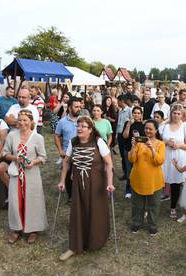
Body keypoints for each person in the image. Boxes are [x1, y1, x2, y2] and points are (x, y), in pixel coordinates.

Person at [57, 116, 115, 261]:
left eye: (83, 126)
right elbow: (66, 162)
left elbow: (109, 163)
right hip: (77, 181)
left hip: (96, 182)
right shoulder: (73, 142)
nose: (79, 129)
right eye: (78, 126)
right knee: (78, 211)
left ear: (90, 130)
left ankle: (96, 241)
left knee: (95, 210)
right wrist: (62, 180)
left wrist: (110, 182)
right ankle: (75, 245)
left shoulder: (98, 142)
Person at [2, 110, 48, 244]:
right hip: (16, 173)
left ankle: (33, 230)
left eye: (25, 120)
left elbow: (43, 157)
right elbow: (5, 153)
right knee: (16, 200)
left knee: (32, 200)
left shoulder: (37, 137)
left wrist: (33, 162)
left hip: (31, 174)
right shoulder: (11, 135)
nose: (22, 123)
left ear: (31, 122)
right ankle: (16, 229)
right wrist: (15, 158)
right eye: (20, 120)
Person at [128, 119, 165, 236]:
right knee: (137, 204)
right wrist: (133, 146)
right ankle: (136, 223)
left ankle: (152, 226)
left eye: (150, 129)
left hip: (154, 181)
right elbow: (131, 159)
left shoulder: (160, 144)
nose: (148, 131)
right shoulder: (139, 142)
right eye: (146, 129)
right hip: (138, 179)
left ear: (156, 130)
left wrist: (152, 149)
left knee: (154, 205)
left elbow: (159, 161)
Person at [160, 104, 186, 218]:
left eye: (179, 113)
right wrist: (166, 142)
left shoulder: (184, 127)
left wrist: (179, 145)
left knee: (175, 183)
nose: (176, 115)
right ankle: (152, 204)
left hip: (179, 157)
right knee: (161, 180)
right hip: (165, 156)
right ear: (171, 113)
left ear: (182, 114)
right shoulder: (164, 126)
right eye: (174, 113)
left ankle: (173, 207)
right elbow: (157, 141)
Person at [54, 97, 81, 199]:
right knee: (68, 175)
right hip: (67, 154)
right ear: (69, 108)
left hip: (81, 153)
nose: (79, 108)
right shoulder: (62, 121)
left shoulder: (83, 120)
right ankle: (71, 196)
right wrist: (60, 150)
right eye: (76, 107)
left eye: (79, 106)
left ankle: (80, 195)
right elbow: (56, 135)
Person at [123, 106, 145, 198]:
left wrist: (138, 138)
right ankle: (128, 190)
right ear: (132, 114)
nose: (136, 115)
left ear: (141, 115)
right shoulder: (127, 123)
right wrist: (128, 125)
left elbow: (146, 140)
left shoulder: (144, 125)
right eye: (135, 113)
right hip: (129, 150)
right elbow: (124, 136)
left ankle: (138, 189)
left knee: (139, 171)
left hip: (140, 152)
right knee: (129, 171)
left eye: (138, 113)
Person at [116, 94, 132, 181]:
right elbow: (119, 123)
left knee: (126, 155)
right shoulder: (120, 111)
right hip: (119, 135)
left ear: (122, 101)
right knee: (122, 155)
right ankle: (125, 172)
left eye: (118, 101)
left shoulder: (130, 110)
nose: (117, 103)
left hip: (126, 136)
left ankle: (128, 173)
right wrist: (116, 135)